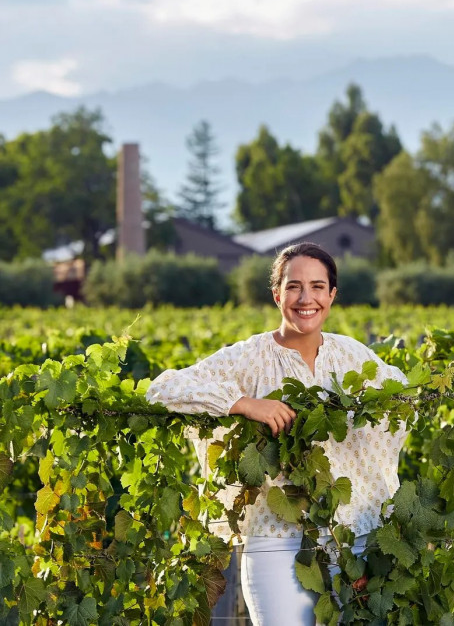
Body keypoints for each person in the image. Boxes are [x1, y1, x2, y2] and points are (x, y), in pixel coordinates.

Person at [146, 242, 408, 625]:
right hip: (277, 537)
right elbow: (163, 390)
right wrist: (243, 403)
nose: (307, 298)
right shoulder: (251, 357)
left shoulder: (352, 356)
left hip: (353, 537)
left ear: (332, 295)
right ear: (276, 294)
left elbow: (401, 395)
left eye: (318, 287)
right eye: (294, 286)